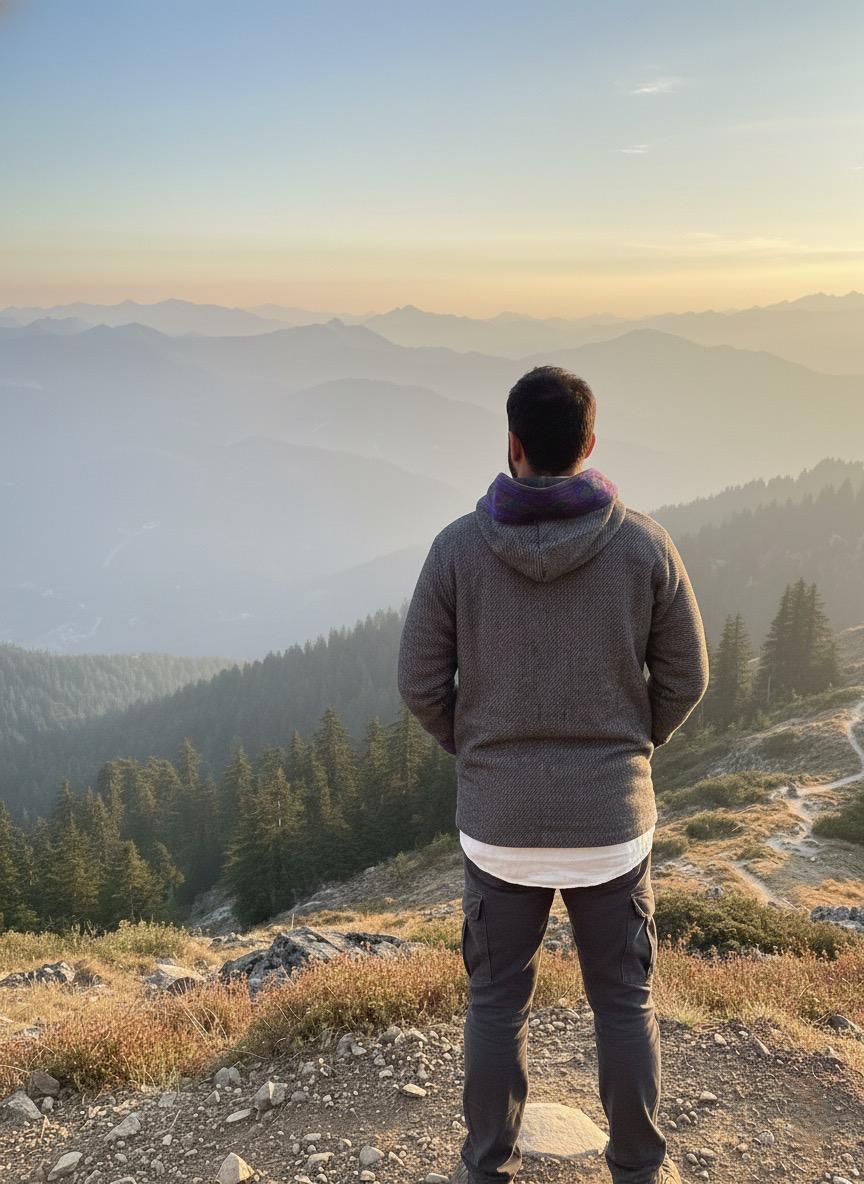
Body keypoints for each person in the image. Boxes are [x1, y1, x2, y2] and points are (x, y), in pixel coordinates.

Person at [396, 365, 710, 1184]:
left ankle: (486, 1169)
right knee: (625, 1002)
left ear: (513, 445)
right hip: (611, 825)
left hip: (499, 828)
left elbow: (419, 684)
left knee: (496, 1004)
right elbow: (688, 676)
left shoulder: (458, 550)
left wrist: (480, 754)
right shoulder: (643, 545)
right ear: (589, 444)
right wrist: (633, 747)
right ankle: (639, 1169)